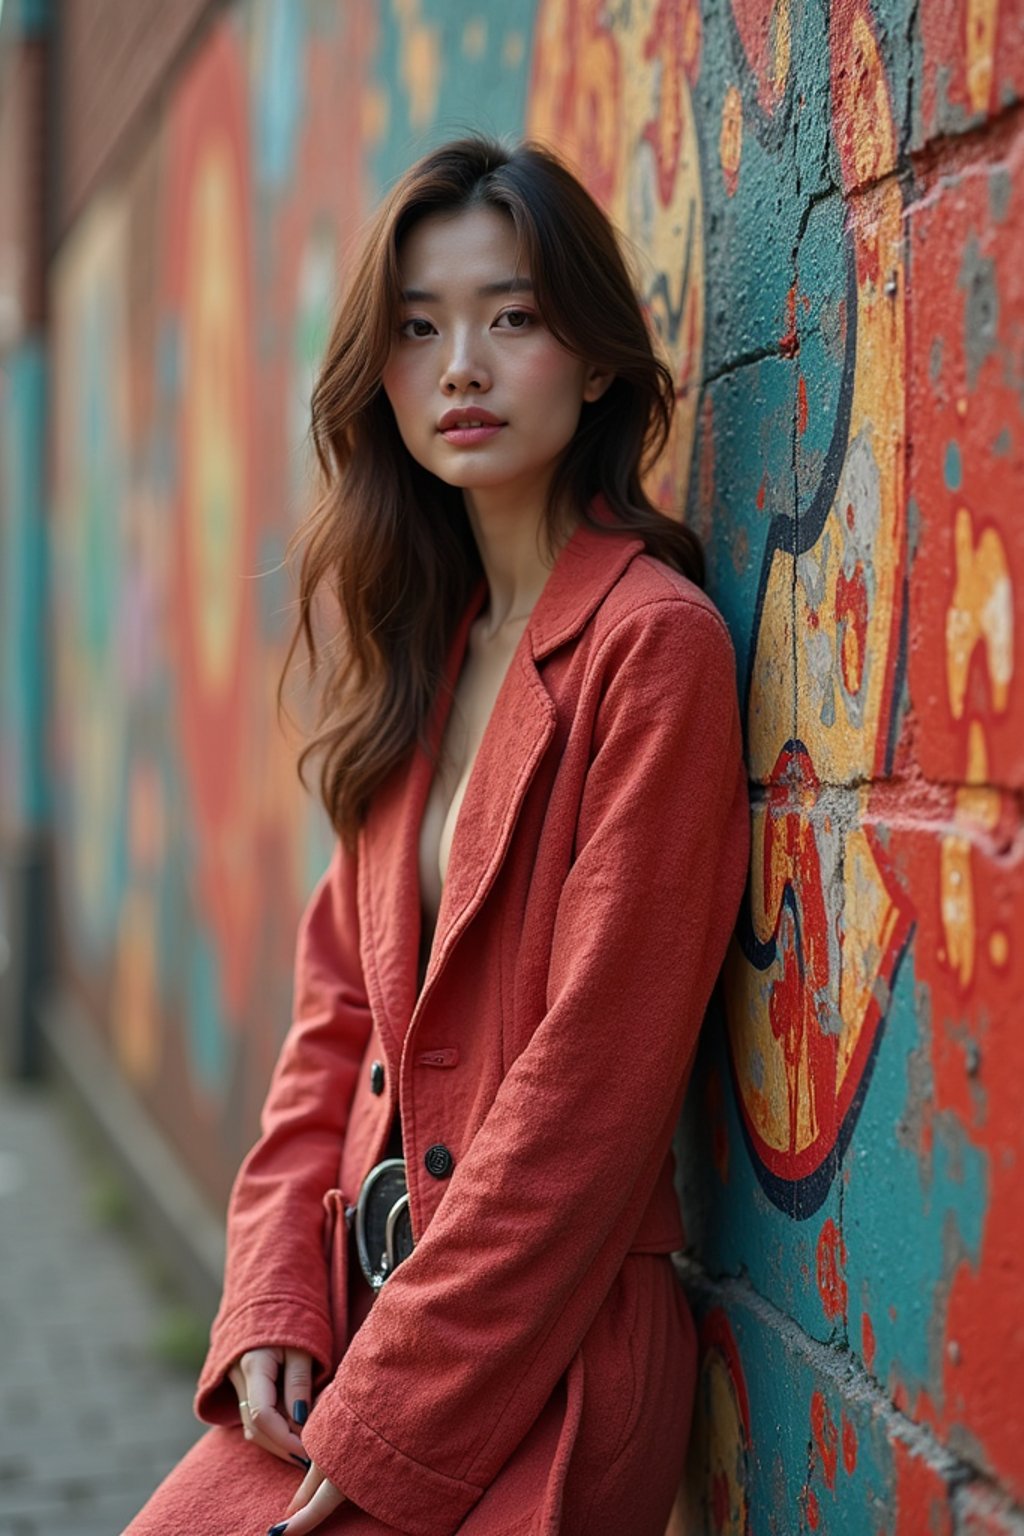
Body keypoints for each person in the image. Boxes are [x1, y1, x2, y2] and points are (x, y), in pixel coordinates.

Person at [124, 134, 750, 1536]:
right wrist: (276, 1296)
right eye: (419, 328)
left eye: (511, 316)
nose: (460, 365)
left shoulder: (653, 651)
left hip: (541, 1356)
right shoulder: (426, 651)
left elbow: (592, 1096)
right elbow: (332, 1027)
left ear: (593, 360)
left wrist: (399, 1409)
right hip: (348, 1328)